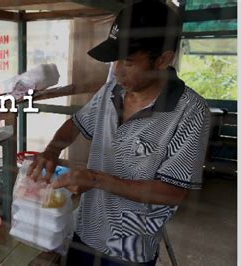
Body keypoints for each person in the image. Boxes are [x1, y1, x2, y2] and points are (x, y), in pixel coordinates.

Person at [27, 1, 211, 265]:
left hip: (130, 248)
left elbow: (171, 192)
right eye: (115, 60)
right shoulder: (111, 90)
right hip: (86, 230)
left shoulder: (190, 112)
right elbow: (77, 124)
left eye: (128, 62)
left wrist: (94, 178)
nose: (115, 70)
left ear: (163, 60)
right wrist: (52, 149)